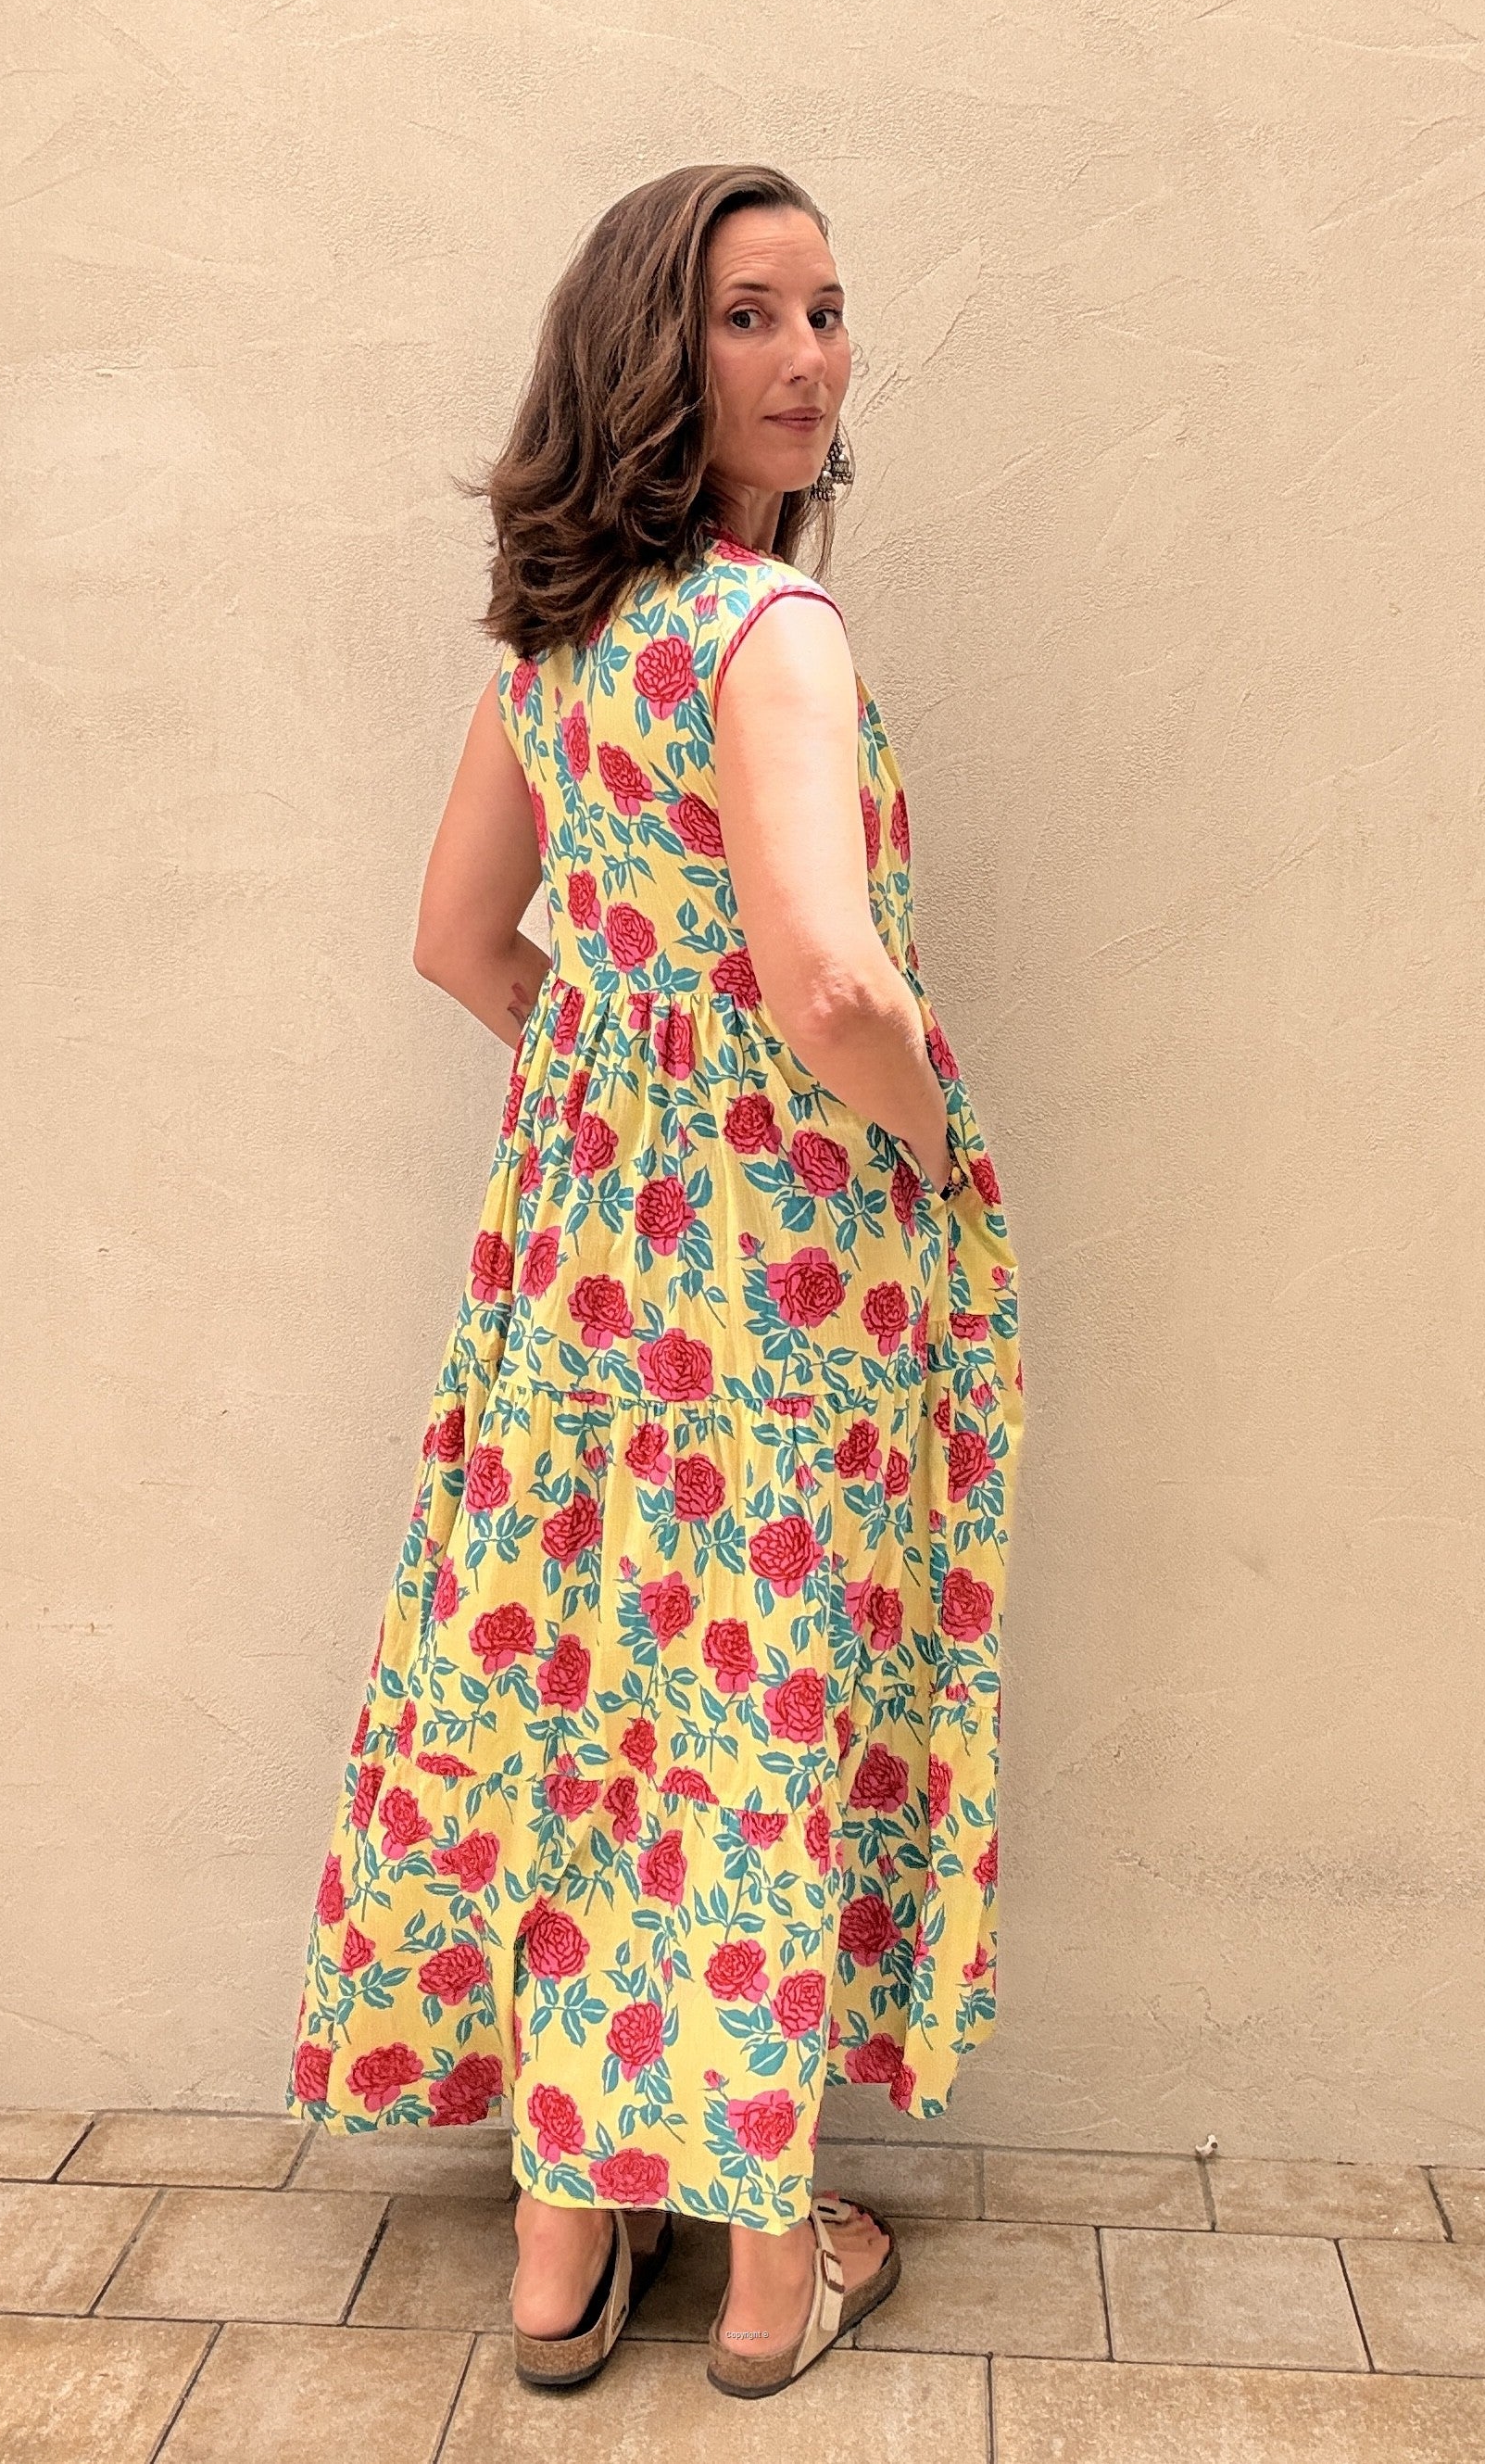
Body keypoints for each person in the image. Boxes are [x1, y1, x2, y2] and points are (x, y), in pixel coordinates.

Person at [283, 162, 1025, 2398]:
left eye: (825, 312)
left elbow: (459, 945)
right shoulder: (767, 638)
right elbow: (820, 968)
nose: (811, 360)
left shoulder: (556, 643)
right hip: (779, 1290)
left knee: (584, 1712)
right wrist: (924, 1151)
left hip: (575, 1275)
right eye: (751, 317)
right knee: (756, 1723)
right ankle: (775, 2261)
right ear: (655, 353)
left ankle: (555, 2242)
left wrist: (624, 1079)